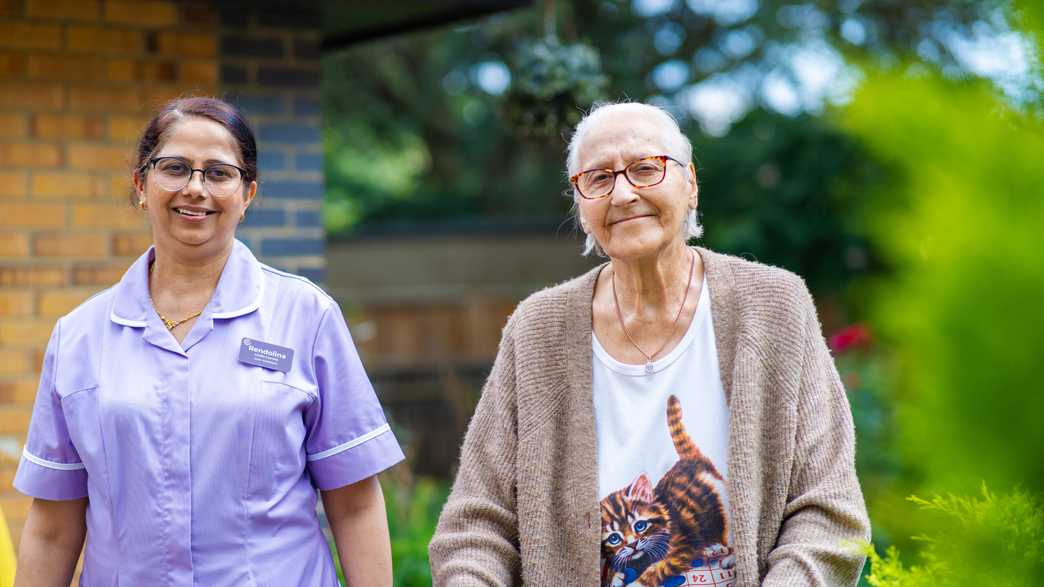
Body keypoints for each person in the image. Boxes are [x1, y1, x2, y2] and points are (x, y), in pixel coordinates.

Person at [429, 102, 870, 586]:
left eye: (645, 169)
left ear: (691, 184)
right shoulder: (537, 331)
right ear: (581, 204)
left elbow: (827, 509)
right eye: (598, 178)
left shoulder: (775, 308)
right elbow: (476, 527)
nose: (622, 194)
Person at [13, 97, 404, 586]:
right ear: (140, 184)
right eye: (174, 168)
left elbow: (355, 502)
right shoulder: (79, 336)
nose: (195, 189)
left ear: (248, 194)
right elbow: (52, 527)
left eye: (219, 173)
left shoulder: (306, 318)